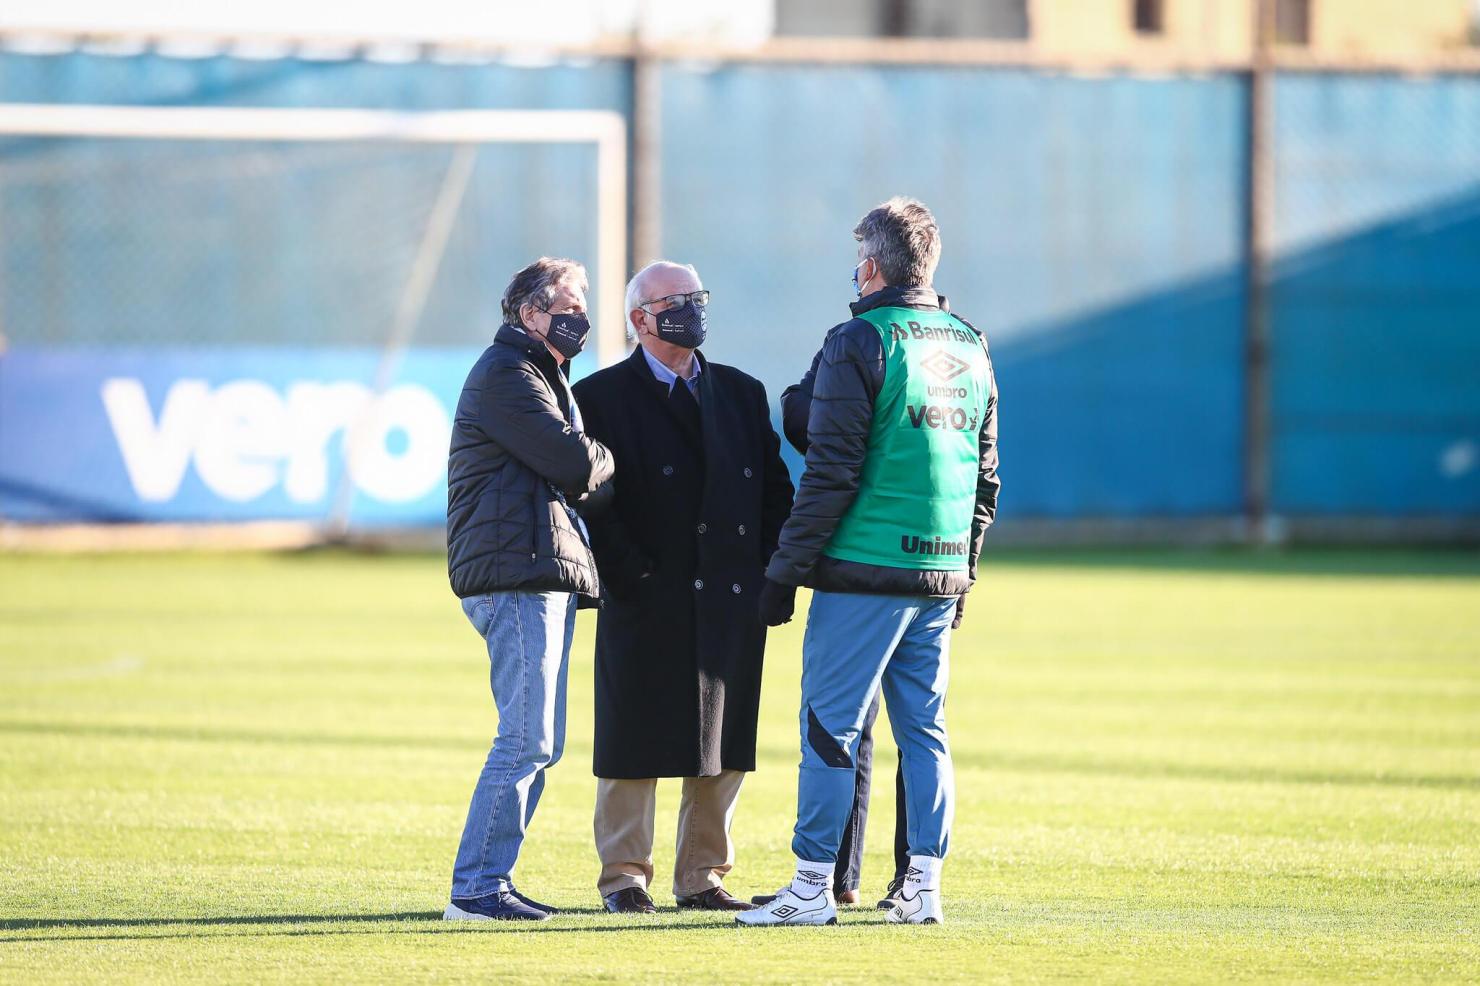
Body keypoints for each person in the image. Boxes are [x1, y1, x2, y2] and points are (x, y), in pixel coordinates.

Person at [737, 198, 1001, 928]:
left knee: (832, 727)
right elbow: (986, 477)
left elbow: (831, 473)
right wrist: (966, 570)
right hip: (939, 571)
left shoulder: (860, 339)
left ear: (874, 266)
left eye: (859, 257)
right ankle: (923, 886)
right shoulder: (971, 342)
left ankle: (811, 885)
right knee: (926, 729)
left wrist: (784, 570)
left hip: (865, 569)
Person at [573, 260, 794, 915]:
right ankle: (623, 878)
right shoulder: (602, 397)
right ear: (640, 319)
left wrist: (764, 572)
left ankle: (701, 876)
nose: (692, 310)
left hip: (729, 596)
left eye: (698, 296)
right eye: (675, 301)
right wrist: (630, 573)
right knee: (632, 739)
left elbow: (774, 494)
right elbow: (595, 501)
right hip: (646, 594)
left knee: (722, 746)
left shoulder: (741, 391)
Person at [442, 257, 615, 922]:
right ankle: (477, 890)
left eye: (582, 303)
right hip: (515, 573)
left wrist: (587, 459)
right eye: (567, 305)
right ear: (529, 312)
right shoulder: (507, 374)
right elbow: (574, 461)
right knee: (525, 738)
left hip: (536, 570)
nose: (579, 316)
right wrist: (599, 456)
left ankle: (490, 882)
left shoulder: (539, 373)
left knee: (539, 740)